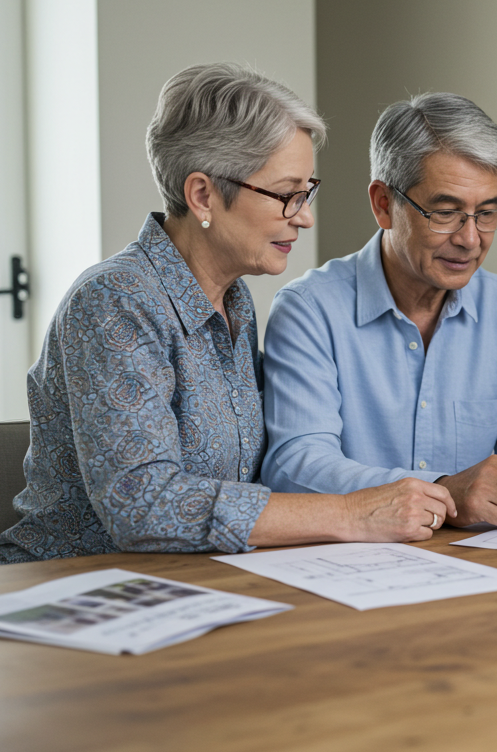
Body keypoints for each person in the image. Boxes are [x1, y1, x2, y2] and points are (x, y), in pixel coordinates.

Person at [0, 64, 454, 563]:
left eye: (307, 192)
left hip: (199, 579)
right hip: (73, 583)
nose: (305, 216)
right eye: (287, 194)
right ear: (203, 195)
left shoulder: (234, 300)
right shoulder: (114, 300)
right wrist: (352, 513)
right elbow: (144, 505)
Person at [261, 92, 497, 529]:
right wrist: (444, 490)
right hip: (354, 562)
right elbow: (296, 466)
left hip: (481, 561)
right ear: (383, 204)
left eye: (486, 213)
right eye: (446, 212)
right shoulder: (309, 310)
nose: (471, 240)